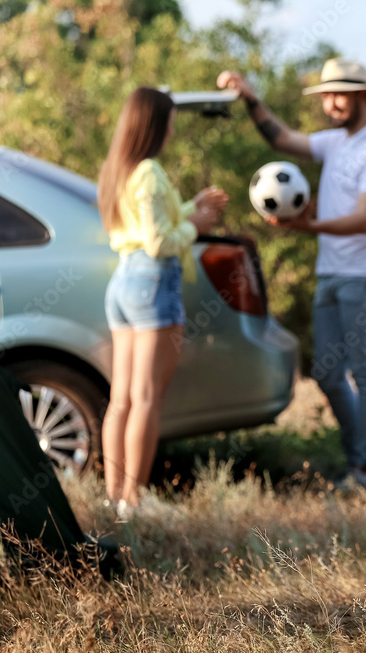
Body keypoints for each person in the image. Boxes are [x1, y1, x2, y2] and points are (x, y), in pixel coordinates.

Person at [217, 59, 366, 489]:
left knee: (365, 372)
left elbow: (363, 219)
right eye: (326, 94)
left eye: (340, 93)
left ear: (362, 96)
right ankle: (360, 457)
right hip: (332, 272)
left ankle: (364, 469)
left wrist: (306, 226)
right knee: (325, 370)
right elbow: (280, 137)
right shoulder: (335, 143)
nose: (331, 102)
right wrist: (250, 99)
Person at [97, 86, 228, 520]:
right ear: (156, 123)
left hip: (123, 283)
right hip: (153, 284)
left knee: (122, 399)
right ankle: (134, 500)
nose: (173, 128)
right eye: (170, 120)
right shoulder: (150, 171)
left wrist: (193, 207)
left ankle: (115, 495)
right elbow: (160, 242)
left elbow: (146, 225)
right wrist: (198, 225)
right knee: (148, 399)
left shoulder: (121, 169)